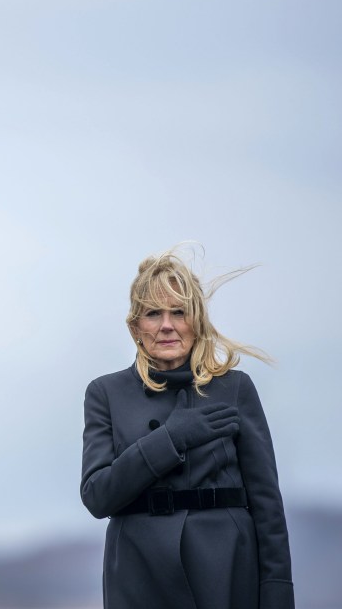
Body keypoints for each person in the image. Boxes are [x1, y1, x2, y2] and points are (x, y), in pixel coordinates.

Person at [80, 249, 294, 609]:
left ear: (197, 321)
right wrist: (169, 439)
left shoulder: (235, 389)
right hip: (139, 574)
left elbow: (267, 504)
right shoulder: (105, 393)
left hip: (226, 569)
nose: (167, 325)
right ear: (135, 327)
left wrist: (277, 591)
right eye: (153, 313)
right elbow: (97, 497)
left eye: (179, 312)